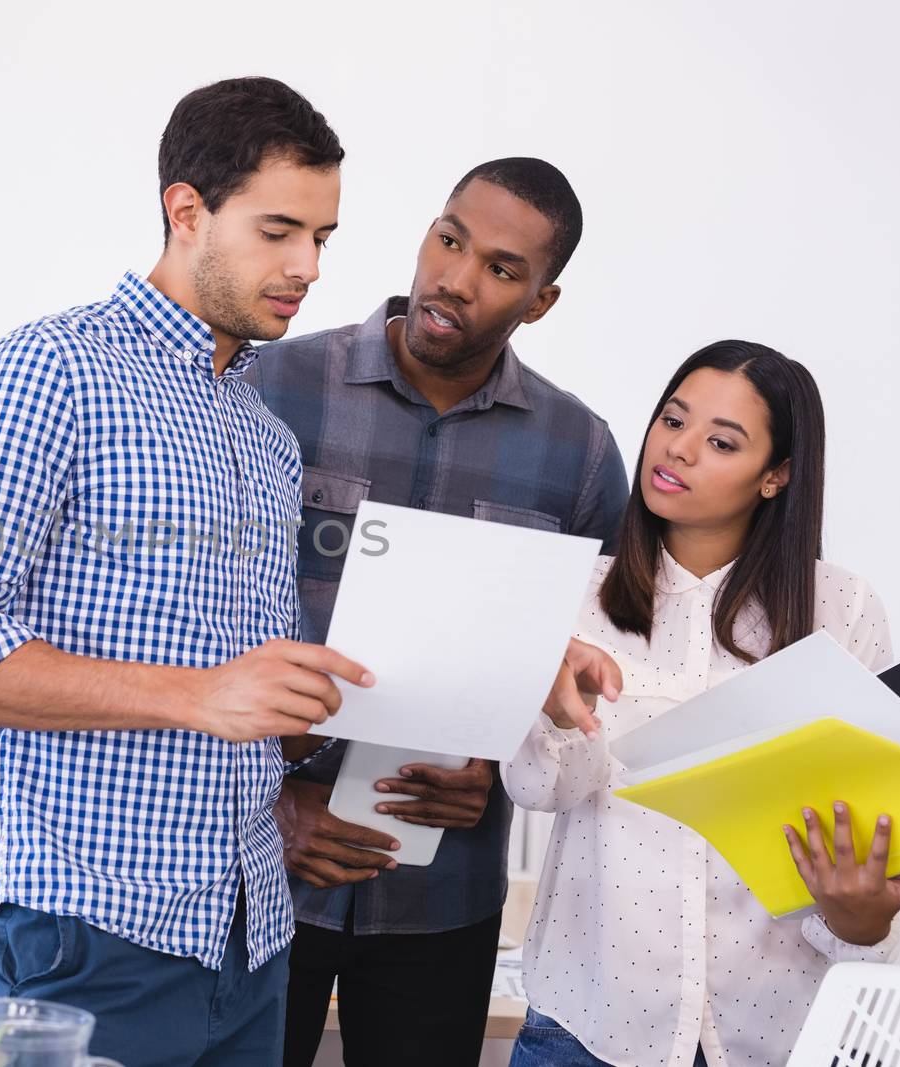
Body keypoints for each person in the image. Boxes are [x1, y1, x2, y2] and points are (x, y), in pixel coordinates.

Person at [0, 76, 362, 1067]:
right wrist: (200, 696)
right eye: (278, 230)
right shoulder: (47, 371)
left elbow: (240, 696)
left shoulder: (264, 433)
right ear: (186, 211)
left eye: (322, 236)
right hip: (86, 929)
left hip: (247, 928)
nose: (307, 265)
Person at [249, 157, 629, 1066]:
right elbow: (191, 622)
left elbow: (605, 671)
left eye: (501, 267)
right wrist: (269, 799)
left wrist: (501, 771)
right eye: (449, 239)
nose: (455, 278)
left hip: (442, 897)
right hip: (260, 879)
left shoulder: (578, 453)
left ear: (542, 300)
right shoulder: (272, 387)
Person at [502, 341, 900, 1067]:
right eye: (672, 420)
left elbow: (861, 837)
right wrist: (560, 711)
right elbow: (540, 789)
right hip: (590, 1027)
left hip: (777, 1033)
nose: (678, 449)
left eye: (721, 441)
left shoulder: (844, 608)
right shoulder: (578, 592)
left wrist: (861, 918)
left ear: (777, 475)